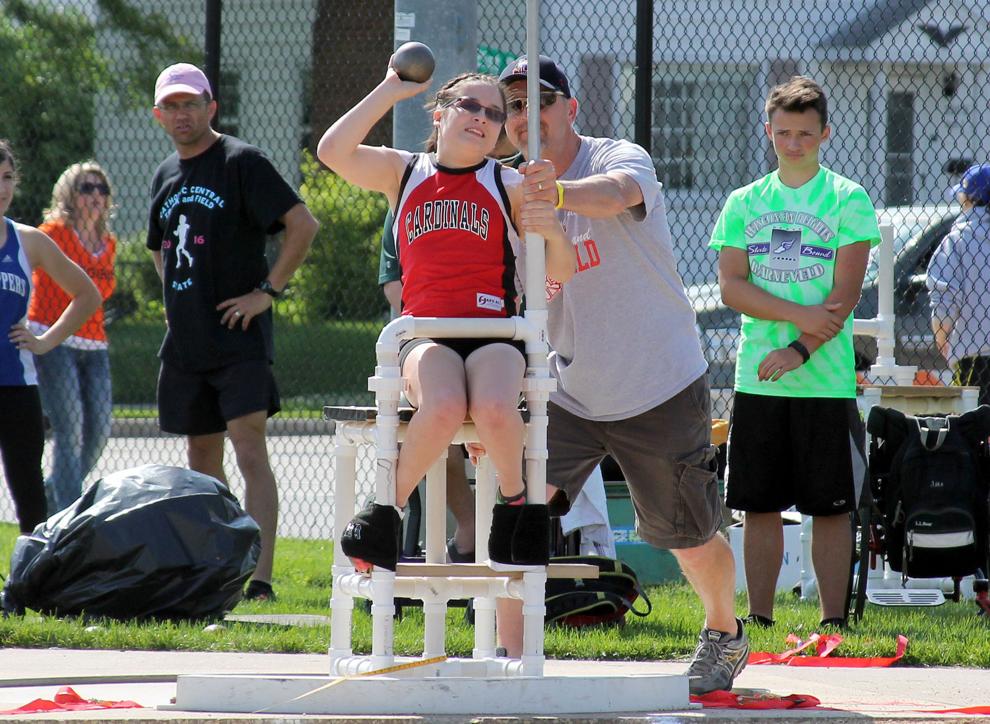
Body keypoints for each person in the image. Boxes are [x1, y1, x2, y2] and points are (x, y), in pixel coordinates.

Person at [498, 55, 746, 694]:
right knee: (518, 512)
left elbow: (617, 197)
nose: (530, 117)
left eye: (542, 102)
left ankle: (725, 631)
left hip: (656, 383)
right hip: (570, 391)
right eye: (516, 106)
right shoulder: (503, 189)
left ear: (571, 109)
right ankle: (506, 657)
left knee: (684, 535)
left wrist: (548, 192)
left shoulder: (615, 157)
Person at [317, 62, 574, 573]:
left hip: (494, 332)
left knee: (497, 409)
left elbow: (562, 268)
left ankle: (517, 506)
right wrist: (390, 88)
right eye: (470, 106)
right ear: (439, 114)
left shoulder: (509, 182)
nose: (483, 118)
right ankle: (383, 513)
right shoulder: (405, 171)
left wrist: (552, 228)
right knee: (444, 406)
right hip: (425, 334)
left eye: (495, 113)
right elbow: (331, 151)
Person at [710, 76, 880, 631]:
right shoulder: (744, 202)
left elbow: (846, 294)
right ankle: (758, 619)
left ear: (825, 133)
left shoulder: (847, 198)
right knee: (758, 505)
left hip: (824, 381)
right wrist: (797, 317)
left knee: (830, 507)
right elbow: (732, 286)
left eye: (805, 133)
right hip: (758, 379)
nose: (794, 143)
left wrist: (802, 347)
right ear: (768, 132)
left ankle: (834, 624)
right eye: (784, 132)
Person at [146, 63, 319, 601]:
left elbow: (302, 224)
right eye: (171, 106)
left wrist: (266, 292)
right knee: (201, 463)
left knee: (249, 450)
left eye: (190, 104)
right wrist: (179, 299)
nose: (181, 114)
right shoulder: (165, 175)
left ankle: (260, 578)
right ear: (159, 114)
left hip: (238, 340)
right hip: (189, 344)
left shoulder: (242, 162)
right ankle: (216, 572)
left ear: (211, 107)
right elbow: (157, 246)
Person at [0, 140, 101, 532]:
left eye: (7, 178)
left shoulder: (30, 242)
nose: (3, 189)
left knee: (30, 499)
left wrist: (44, 341)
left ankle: (32, 586)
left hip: (16, 385)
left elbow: (87, 295)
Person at [28, 161, 117, 514]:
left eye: (102, 189)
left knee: (98, 432)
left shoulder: (108, 242)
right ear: (69, 194)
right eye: (86, 188)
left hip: (94, 343)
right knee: (71, 430)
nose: (96, 195)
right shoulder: (51, 233)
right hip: (53, 340)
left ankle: (50, 498)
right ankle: (68, 516)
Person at [927, 163, 990, 405]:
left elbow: (944, 300)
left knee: (972, 427)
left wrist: (942, 337)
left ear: (969, 200)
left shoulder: (957, 240)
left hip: (975, 353)